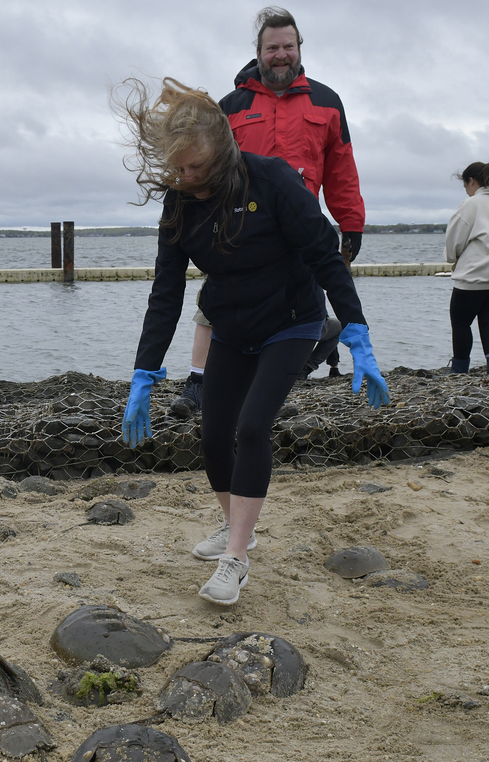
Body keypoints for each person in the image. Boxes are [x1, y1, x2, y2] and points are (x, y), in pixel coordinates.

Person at [117, 78, 390, 606]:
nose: (187, 178)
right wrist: (143, 371)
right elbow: (166, 292)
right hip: (232, 328)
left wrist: (356, 330)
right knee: (214, 437)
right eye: (178, 169)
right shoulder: (179, 205)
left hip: (291, 321)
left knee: (252, 426)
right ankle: (237, 524)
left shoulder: (272, 181)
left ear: (221, 151)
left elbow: (325, 254)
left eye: (196, 167)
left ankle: (235, 558)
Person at [171, 6, 366, 418]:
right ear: (259, 52)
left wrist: (351, 222)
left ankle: (270, 392)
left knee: (299, 311)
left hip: (300, 229)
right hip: (236, 225)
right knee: (216, 304)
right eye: (272, 47)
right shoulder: (231, 105)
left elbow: (342, 166)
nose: (281, 54)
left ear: (299, 49)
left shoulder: (328, 102)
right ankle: (197, 381)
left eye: (288, 46)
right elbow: (204, 163)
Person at [444, 161, 489, 375]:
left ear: (471, 181)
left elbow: (455, 238)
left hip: (475, 274)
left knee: (460, 323)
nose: (466, 191)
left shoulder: (472, 204)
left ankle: (459, 369)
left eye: (465, 185)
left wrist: (453, 259)